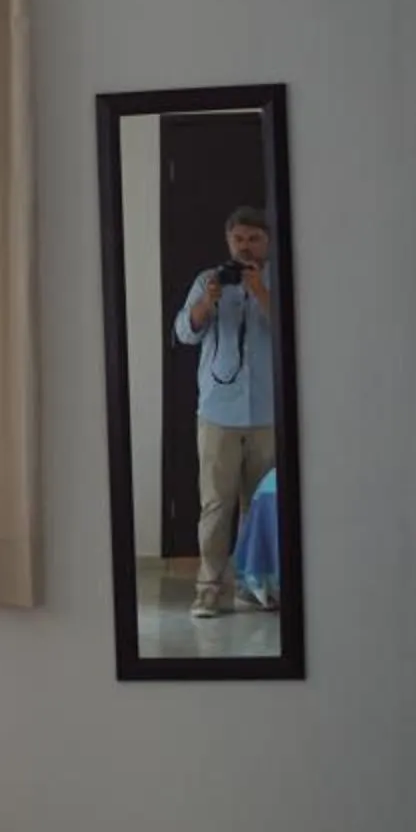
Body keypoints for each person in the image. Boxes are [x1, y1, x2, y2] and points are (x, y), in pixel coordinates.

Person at [173, 206, 278, 618]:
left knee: (261, 508)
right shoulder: (208, 280)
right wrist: (207, 302)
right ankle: (209, 589)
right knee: (216, 506)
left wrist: (260, 292)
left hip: (269, 414)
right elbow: (184, 332)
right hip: (218, 413)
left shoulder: (277, 280)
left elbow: (295, 333)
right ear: (228, 242)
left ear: (267, 241)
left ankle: (255, 588)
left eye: (254, 238)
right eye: (239, 239)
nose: (246, 246)